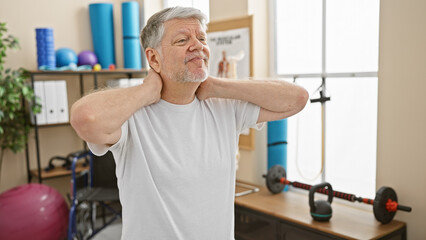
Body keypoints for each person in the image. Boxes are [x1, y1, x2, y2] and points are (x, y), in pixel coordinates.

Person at [70, 7, 308, 240]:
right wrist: (147, 90)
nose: (198, 45)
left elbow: (297, 99)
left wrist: (218, 85)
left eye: (202, 38)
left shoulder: (224, 106)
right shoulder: (132, 115)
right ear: (154, 58)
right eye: (182, 40)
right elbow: (84, 118)